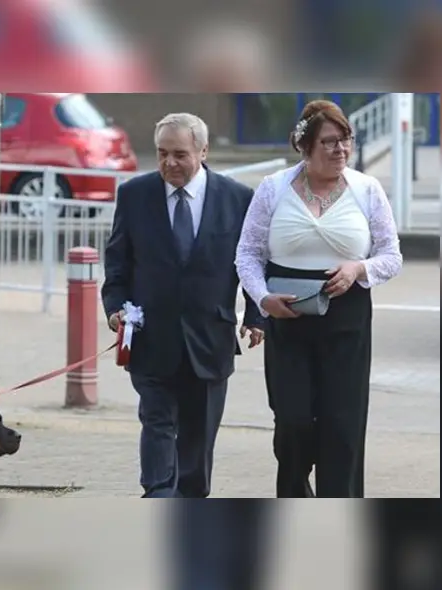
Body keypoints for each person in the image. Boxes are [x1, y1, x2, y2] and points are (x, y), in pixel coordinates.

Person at [234, 99, 403, 498]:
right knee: (292, 422)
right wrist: (262, 299)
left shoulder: (367, 190)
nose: (340, 149)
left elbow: (391, 256)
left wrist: (357, 270)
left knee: (342, 428)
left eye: (345, 140)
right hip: (287, 316)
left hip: (347, 319)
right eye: (328, 142)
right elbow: (247, 253)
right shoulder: (273, 189)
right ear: (304, 147)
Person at [101, 112, 265, 498]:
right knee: (156, 421)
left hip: (210, 339)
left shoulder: (238, 199)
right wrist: (115, 309)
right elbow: (118, 263)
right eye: (161, 154)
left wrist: (257, 315)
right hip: (150, 339)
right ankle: (157, 493)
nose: (168, 164)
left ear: (203, 151)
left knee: (197, 439)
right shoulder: (134, 194)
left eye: (179, 154)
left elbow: (254, 262)